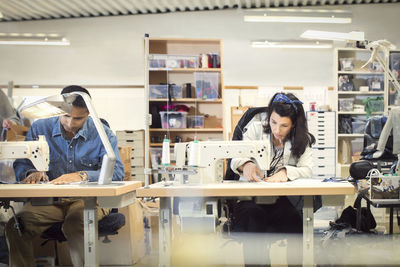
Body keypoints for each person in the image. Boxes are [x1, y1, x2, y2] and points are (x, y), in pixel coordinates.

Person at [5, 85, 124, 267]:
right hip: (50, 201)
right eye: (66, 116)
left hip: (91, 200)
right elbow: (22, 163)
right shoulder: (39, 128)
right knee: (16, 226)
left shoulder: (103, 133)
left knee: (75, 223)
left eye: (78, 118)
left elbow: (117, 173)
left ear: (89, 114)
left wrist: (82, 175)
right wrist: (31, 172)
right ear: (58, 110)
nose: (70, 123)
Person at [230, 92, 315, 267]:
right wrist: (245, 164)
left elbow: (308, 170)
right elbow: (235, 157)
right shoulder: (255, 129)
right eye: (273, 122)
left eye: (284, 125)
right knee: (254, 218)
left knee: (295, 222)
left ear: (293, 125)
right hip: (249, 199)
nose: (277, 130)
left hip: (277, 199)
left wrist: (286, 171)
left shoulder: (301, 140)